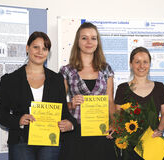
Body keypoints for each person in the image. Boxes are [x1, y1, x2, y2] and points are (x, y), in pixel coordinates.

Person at [0, 31, 77, 160]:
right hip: (21, 141)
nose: (40, 52)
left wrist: (70, 124)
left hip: (50, 142)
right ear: (27, 48)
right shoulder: (10, 80)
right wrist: (18, 120)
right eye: (36, 47)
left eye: (44, 48)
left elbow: (64, 113)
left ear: (48, 52)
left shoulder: (57, 80)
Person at [59, 22, 116, 160]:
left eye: (93, 38)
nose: (89, 42)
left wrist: (114, 123)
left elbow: (110, 101)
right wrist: (71, 104)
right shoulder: (66, 71)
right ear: (78, 42)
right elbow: (58, 104)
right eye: (84, 38)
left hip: (100, 132)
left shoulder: (106, 69)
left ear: (98, 42)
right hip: (75, 133)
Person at [114, 47, 164, 160]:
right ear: (131, 64)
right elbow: (118, 116)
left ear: (150, 64)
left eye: (145, 62)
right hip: (130, 147)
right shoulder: (122, 88)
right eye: (137, 62)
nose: (141, 66)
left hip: (153, 144)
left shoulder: (160, 88)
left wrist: (159, 130)